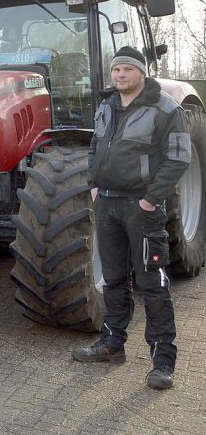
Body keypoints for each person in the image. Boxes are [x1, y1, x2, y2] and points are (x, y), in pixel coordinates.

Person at [73, 46, 191, 390]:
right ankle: (112, 343)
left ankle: (163, 360)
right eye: (116, 70)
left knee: (153, 284)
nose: (120, 75)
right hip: (107, 205)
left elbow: (178, 159)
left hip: (142, 209)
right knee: (112, 279)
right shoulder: (106, 106)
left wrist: (151, 199)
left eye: (126, 69)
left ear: (141, 72)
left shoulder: (165, 108)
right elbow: (94, 148)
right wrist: (93, 184)